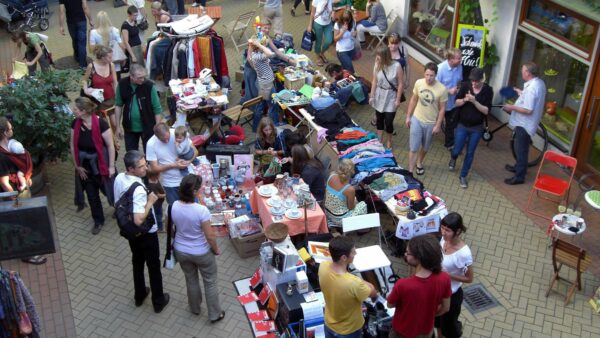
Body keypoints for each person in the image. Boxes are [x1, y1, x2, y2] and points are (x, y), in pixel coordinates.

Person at [113, 150, 170, 313]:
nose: (145, 169)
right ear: (131, 169)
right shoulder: (138, 189)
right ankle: (158, 300)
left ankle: (139, 295)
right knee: (153, 265)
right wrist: (150, 201)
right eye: (141, 167)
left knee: (137, 261)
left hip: (130, 231)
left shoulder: (119, 178)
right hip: (146, 233)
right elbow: (139, 219)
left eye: (145, 164)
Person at [171, 174, 226, 322]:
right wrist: (216, 250)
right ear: (194, 192)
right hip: (201, 252)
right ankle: (215, 314)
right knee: (210, 281)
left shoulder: (173, 206)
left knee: (190, 279)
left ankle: (195, 308)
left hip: (181, 250)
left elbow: (170, 229)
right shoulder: (201, 211)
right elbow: (210, 236)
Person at [0, 117, 46, 265]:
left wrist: (26, 176)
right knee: (22, 222)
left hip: (20, 189)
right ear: (5, 132)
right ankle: (27, 254)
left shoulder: (9, 147)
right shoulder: (1, 156)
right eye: (10, 128)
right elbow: (4, 182)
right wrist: (14, 199)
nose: (12, 130)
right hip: (15, 194)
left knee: (26, 220)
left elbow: (20, 164)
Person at [386, 234, 452, 338]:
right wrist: (427, 316)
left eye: (408, 253)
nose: (405, 254)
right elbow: (446, 308)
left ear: (419, 258)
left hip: (402, 332)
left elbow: (390, 305)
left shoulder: (403, 285)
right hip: (426, 331)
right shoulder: (445, 278)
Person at [70, 97, 116, 235]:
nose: (74, 111)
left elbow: (110, 145)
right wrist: (77, 166)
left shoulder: (101, 123)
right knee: (92, 196)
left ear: (84, 111)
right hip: (85, 167)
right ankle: (98, 221)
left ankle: (119, 209)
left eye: (76, 109)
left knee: (110, 190)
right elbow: (72, 145)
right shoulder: (75, 123)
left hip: (101, 164)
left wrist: (111, 166)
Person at [319, 236, 377, 337]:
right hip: (349, 331)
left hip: (329, 324)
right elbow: (373, 293)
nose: (355, 254)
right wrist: (366, 283)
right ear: (344, 258)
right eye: (353, 252)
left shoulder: (323, 266)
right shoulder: (354, 283)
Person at [448, 68, 493, 189]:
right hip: (462, 124)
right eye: (472, 80)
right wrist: (465, 99)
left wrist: (474, 101)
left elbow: (486, 110)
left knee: (470, 152)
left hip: (477, 128)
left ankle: (463, 175)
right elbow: (456, 102)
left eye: (476, 81)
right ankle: (453, 157)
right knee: (457, 148)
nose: (473, 83)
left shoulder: (488, 91)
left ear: (482, 79)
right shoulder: (465, 86)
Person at [503, 61, 546, 185]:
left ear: (528, 73)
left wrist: (511, 107)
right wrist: (521, 93)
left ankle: (519, 176)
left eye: (523, 70)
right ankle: (518, 167)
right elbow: (532, 99)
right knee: (521, 148)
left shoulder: (532, 88)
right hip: (526, 123)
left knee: (520, 149)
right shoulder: (539, 83)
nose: (522, 71)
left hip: (524, 123)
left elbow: (528, 109)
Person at [435, 213, 473, 338]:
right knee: (438, 324)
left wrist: (448, 275)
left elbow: (469, 278)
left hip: (451, 295)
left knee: (449, 330)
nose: (443, 232)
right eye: (442, 228)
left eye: (448, 230)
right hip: (438, 291)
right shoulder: (443, 240)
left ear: (457, 231)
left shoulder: (464, 254)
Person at [405, 62, 448, 176]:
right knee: (413, 147)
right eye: (427, 75)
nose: (429, 78)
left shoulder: (442, 89)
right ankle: (410, 171)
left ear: (436, 75)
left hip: (430, 123)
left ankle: (419, 162)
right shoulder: (419, 83)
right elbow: (414, 99)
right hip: (417, 119)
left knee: (425, 147)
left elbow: (442, 109)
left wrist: (438, 125)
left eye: (431, 75)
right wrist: (408, 116)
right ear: (424, 73)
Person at [113, 64, 163, 152]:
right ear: (131, 76)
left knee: (150, 153)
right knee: (131, 154)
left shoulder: (149, 86)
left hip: (148, 126)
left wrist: (157, 127)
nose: (142, 79)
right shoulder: (122, 84)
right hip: (129, 127)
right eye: (139, 77)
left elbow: (157, 108)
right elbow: (118, 105)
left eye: (144, 77)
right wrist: (118, 127)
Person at [146, 123, 195, 205]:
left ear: (169, 130)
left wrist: (189, 161)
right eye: (163, 140)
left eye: (168, 138)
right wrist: (174, 165)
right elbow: (154, 168)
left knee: (193, 208)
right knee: (174, 210)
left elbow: (195, 151)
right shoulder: (151, 144)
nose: (166, 141)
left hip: (187, 178)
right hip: (170, 184)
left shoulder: (177, 133)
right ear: (156, 136)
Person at [370, 44, 403, 150]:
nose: (377, 58)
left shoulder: (397, 66)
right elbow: (374, 81)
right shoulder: (377, 64)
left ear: (385, 56)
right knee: (379, 119)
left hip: (391, 96)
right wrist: (372, 95)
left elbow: (401, 84)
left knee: (388, 122)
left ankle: (389, 140)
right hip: (380, 94)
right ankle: (379, 139)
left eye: (379, 56)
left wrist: (398, 99)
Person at [323, 158, 367, 227]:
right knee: (363, 204)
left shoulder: (331, 175)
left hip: (327, 212)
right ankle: (362, 229)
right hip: (340, 219)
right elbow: (350, 208)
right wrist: (355, 201)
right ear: (352, 171)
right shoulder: (350, 189)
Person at [437, 48, 463, 150]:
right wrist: (448, 91)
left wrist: (459, 88)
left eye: (461, 58)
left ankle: (449, 144)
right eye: (458, 59)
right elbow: (435, 86)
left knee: (450, 123)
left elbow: (460, 80)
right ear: (451, 59)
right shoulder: (440, 69)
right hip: (440, 103)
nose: (460, 60)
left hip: (453, 102)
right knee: (434, 120)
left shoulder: (460, 67)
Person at [82, 46, 119, 113]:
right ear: (103, 58)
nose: (112, 59)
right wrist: (85, 90)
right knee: (103, 121)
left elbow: (115, 82)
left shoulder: (111, 65)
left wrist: (117, 96)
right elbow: (84, 80)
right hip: (97, 99)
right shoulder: (91, 67)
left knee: (114, 123)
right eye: (110, 57)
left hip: (110, 98)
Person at [59, 0, 93, 69]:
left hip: (70, 22)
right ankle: (82, 65)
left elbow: (62, 11)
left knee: (74, 40)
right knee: (82, 43)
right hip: (81, 20)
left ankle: (77, 57)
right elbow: (85, 7)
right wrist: (90, 19)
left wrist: (61, 26)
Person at [307, 0, 333, 67]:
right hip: (318, 23)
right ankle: (318, 57)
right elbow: (312, 13)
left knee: (329, 41)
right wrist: (310, 25)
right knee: (319, 41)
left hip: (328, 23)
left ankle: (322, 53)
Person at [333, 9, 356, 73]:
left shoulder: (353, 22)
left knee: (345, 68)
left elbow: (354, 32)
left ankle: (341, 78)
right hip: (341, 50)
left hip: (351, 49)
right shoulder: (337, 24)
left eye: (347, 21)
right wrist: (342, 32)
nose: (346, 22)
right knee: (350, 69)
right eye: (344, 20)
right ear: (341, 19)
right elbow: (335, 39)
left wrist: (355, 34)